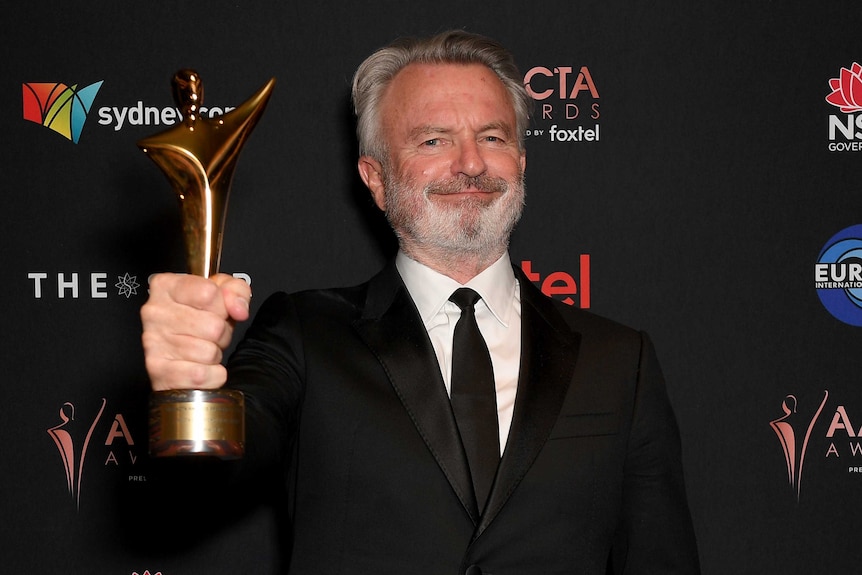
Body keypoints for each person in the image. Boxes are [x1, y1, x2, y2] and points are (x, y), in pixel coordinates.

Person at [141, 30, 700, 575]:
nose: (472, 163)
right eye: (433, 140)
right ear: (376, 179)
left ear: (522, 162)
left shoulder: (620, 360)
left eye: (493, 137)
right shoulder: (306, 335)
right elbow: (208, 480)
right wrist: (187, 389)